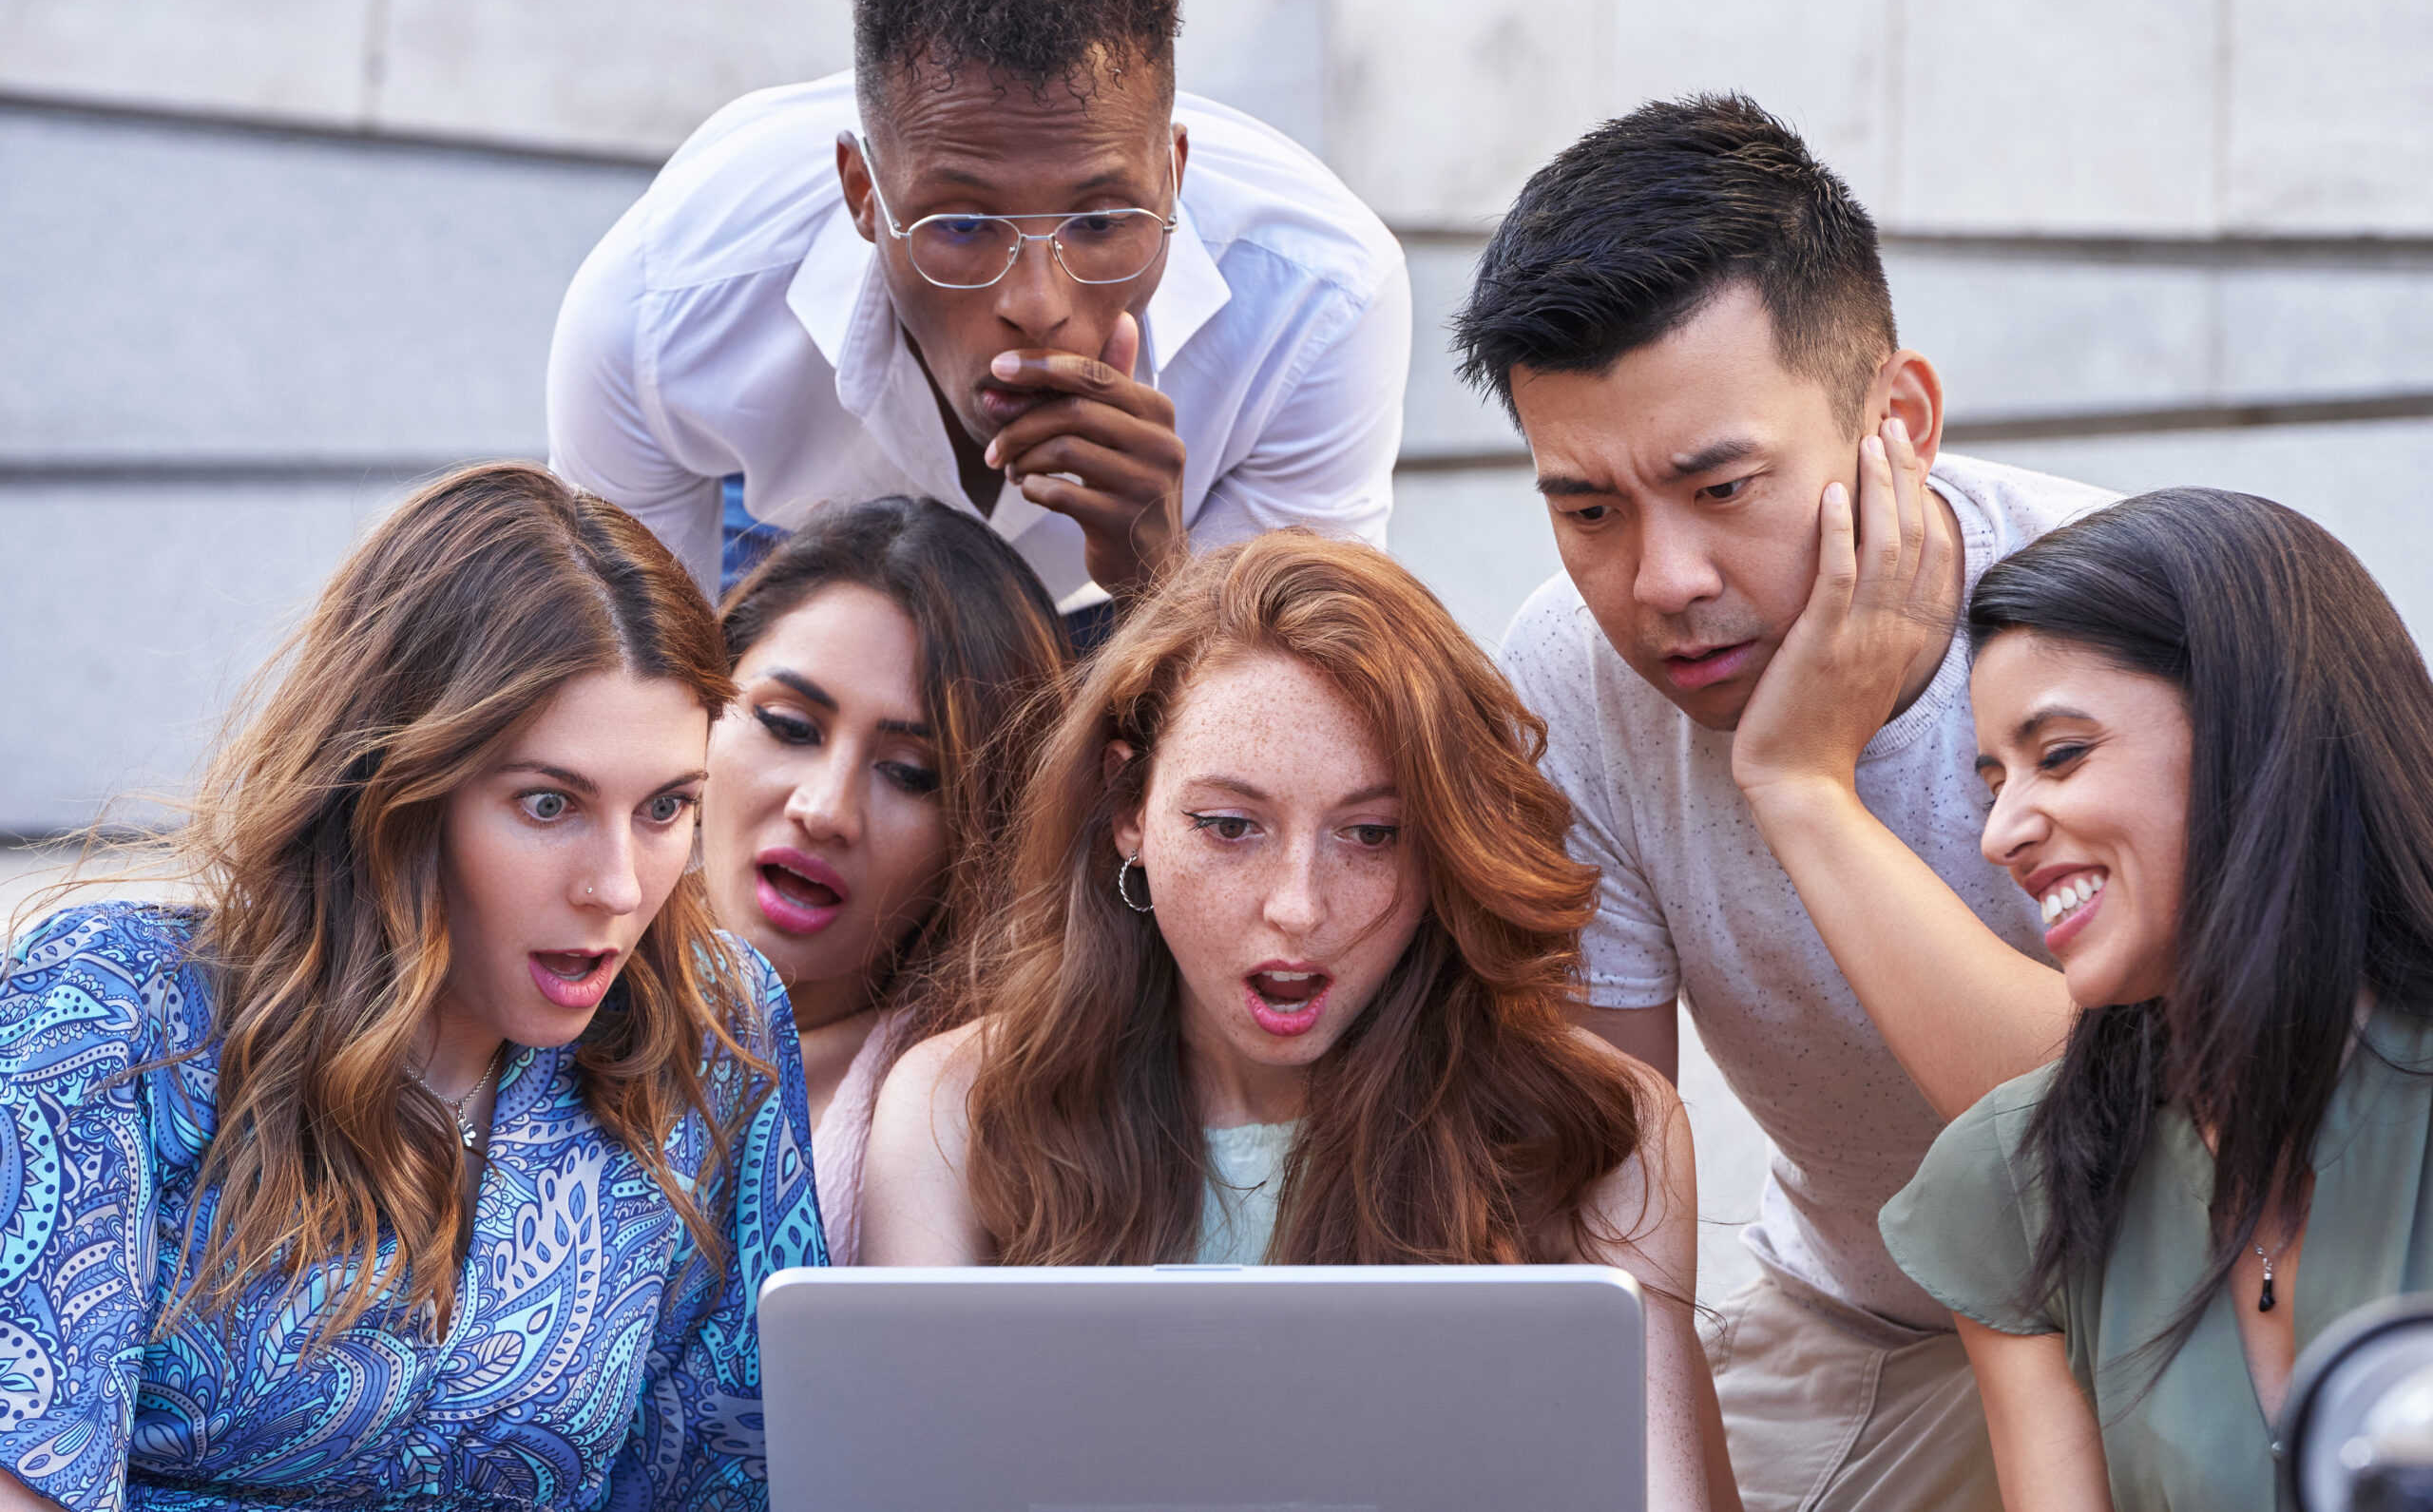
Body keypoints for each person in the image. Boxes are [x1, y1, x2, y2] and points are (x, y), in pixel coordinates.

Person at [1453, 92, 2112, 1512]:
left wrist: (1802, 782)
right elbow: (1603, 1189)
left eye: (1723, 485)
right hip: (1858, 1315)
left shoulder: (2129, 622)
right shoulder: (1569, 679)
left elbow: (2117, 1129)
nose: (1663, 578)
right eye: (1588, 510)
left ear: (1901, 422)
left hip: (2164, 1294)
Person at [859, 530, 1741, 1512]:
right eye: (1230, 827)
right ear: (1127, 808)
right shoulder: (957, 1106)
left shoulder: (1601, 1126)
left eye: (1370, 835)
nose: (1298, 907)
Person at [0, 464, 824, 1511]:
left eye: (665, 808)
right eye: (546, 804)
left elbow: (742, 1475)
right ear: (394, 789)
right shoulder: (109, 1009)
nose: (617, 886)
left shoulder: (713, 1026)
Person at [546, 0, 1410, 625]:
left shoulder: (1320, 301)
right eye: (961, 224)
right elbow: (633, 721)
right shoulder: (663, 308)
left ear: (1175, 178)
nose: (1036, 303)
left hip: (1098, 625)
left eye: (1102, 220)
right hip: (778, 540)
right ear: (862, 192)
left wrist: (1162, 577)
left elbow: (1285, 746)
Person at [1876, 488, 2433, 1510]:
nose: (2001, 832)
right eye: (1993, 779)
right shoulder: (2006, 1185)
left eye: (2060, 756)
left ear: (2255, 731)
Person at [701, 495, 1071, 1264]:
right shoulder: (540, 995)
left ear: (990, 829)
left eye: (910, 774)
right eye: (789, 726)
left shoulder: (989, 1106)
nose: (826, 809)